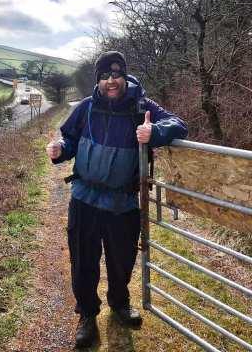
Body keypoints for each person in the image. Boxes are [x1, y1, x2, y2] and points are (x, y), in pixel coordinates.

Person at [46, 51, 188, 348]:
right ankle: (86, 314)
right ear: (98, 81)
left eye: (116, 75)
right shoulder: (86, 108)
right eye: (105, 77)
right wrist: (60, 148)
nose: (111, 81)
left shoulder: (142, 106)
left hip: (123, 202)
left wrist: (154, 131)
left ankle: (119, 303)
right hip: (84, 198)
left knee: (122, 261)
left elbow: (179, 125)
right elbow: (68, 139)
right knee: (84, 261)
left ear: (125, 76)